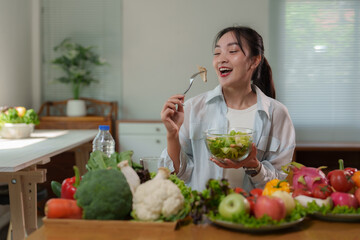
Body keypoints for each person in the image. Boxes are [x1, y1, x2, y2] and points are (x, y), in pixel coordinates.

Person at [160, 26, 295, 192]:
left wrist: (254, 166)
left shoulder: (277, 113)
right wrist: (172, 134)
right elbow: (180, 174)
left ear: (254, 61)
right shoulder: (192, 108)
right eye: (217, 53)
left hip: (252, 212)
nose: (221, 59)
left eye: (232, 51)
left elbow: (279, 184)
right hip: (203, 211)